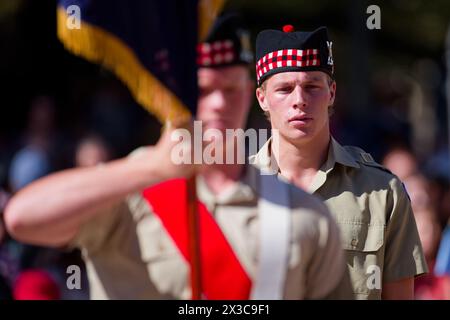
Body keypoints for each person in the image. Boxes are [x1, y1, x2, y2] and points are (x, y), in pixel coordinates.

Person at [4, 14, 352, 299]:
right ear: (168, 92)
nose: (218, 103)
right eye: (202, 89)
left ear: (251, 95)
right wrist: (155, 167)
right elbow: (22, 218)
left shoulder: (304, 216)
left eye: (230, 89)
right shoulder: (123, 193)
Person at [250, 24, 427, 299]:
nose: (299, 100)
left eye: (312, 87)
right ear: (262, 98)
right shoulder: (237, 189)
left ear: (331, 92)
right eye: (284, 89)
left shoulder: (382, 193)